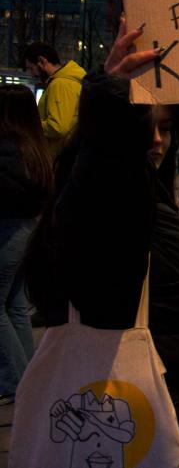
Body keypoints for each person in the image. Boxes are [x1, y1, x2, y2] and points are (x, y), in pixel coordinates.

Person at [22, 18, 179, 466]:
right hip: (127, 391)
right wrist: (108, 104)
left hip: (154, 388)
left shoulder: (148, 194)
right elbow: (99, 184)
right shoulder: (109, 201)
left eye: (166, 128)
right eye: (143, 127)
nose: (156, 141)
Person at [0, 85, 52, 405]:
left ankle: (17, 382)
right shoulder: (34, 146)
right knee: (15, 305)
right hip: (28, 228)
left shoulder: (7, 149)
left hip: (9, 229)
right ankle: (30, 379)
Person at [22, 41, 87, 160]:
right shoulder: (68, 81)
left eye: (31, 68)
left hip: (58, 157)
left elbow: (58, 127)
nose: (32, 74)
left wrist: (30, 125)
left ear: (42, 61)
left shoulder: (60, 84)